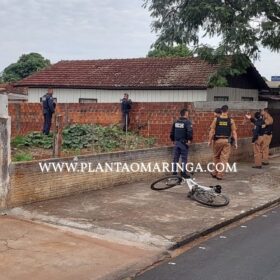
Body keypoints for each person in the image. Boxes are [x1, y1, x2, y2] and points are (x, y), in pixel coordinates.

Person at [208, 105, 238, 180]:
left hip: (217, 140)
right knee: (224, 159)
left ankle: (214, 172)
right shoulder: (231, 120)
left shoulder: (216, 120)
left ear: (221, 111)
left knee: (216, 157)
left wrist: (209, 141)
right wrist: (236, 143)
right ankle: (220, 175)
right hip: (227, 141)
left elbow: (211, 131)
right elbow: (234, 133)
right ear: (227, 111)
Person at [170, 109, 193, 178]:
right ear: (186, 114)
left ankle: (174, 172)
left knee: (175, 158)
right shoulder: (187, 122)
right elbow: (189, 132)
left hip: (176, 143)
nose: (188, 115)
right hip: (184, 143)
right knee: (184, 159)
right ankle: (183, 173)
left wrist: (173, 140)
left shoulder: (176, 122)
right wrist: (189, 140)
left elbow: (172, 132)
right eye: (187, 114)